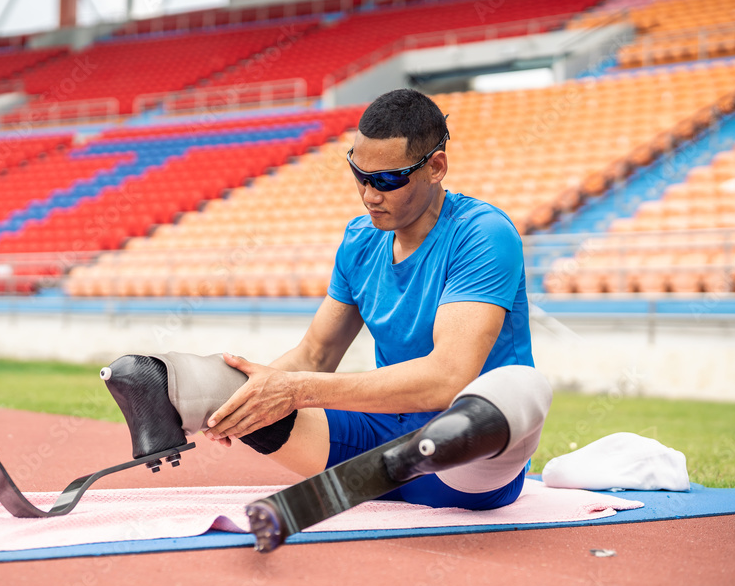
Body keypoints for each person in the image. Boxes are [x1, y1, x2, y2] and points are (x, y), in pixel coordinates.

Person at [102, 88, 551, 511]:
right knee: (244, 395)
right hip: (385, 436)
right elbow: (315, 353)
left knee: (514, 392)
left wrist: (296, 391)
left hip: (469, 462)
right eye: (360, 175)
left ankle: (394, 469)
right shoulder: (359, 240)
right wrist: (240, 403)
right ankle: (171, 390)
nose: (370, 195)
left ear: (436, 167)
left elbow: (446, 379)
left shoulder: (482, 234)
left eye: (389, 179)